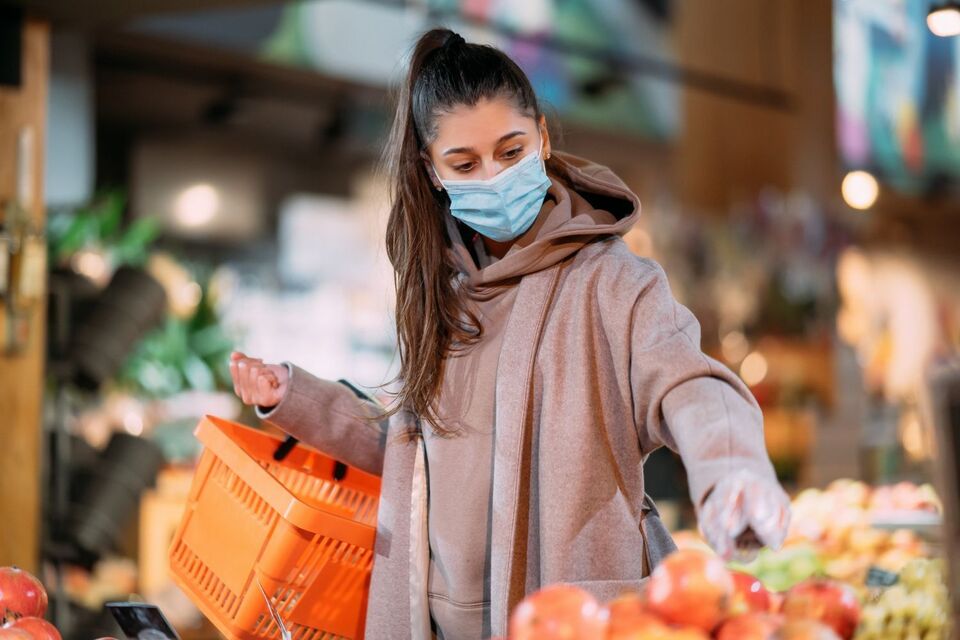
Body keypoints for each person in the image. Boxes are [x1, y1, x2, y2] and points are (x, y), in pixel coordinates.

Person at [228, 28, 790, 640]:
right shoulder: (438, 299)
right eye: (464, 163)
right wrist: (297, 397)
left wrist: (732, 469)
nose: (493, 177)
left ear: (543, 138)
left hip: (571, 616)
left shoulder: (613, 282)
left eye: (512, 151)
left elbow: (690, 383)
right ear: (432, 170)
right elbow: (410, 453)